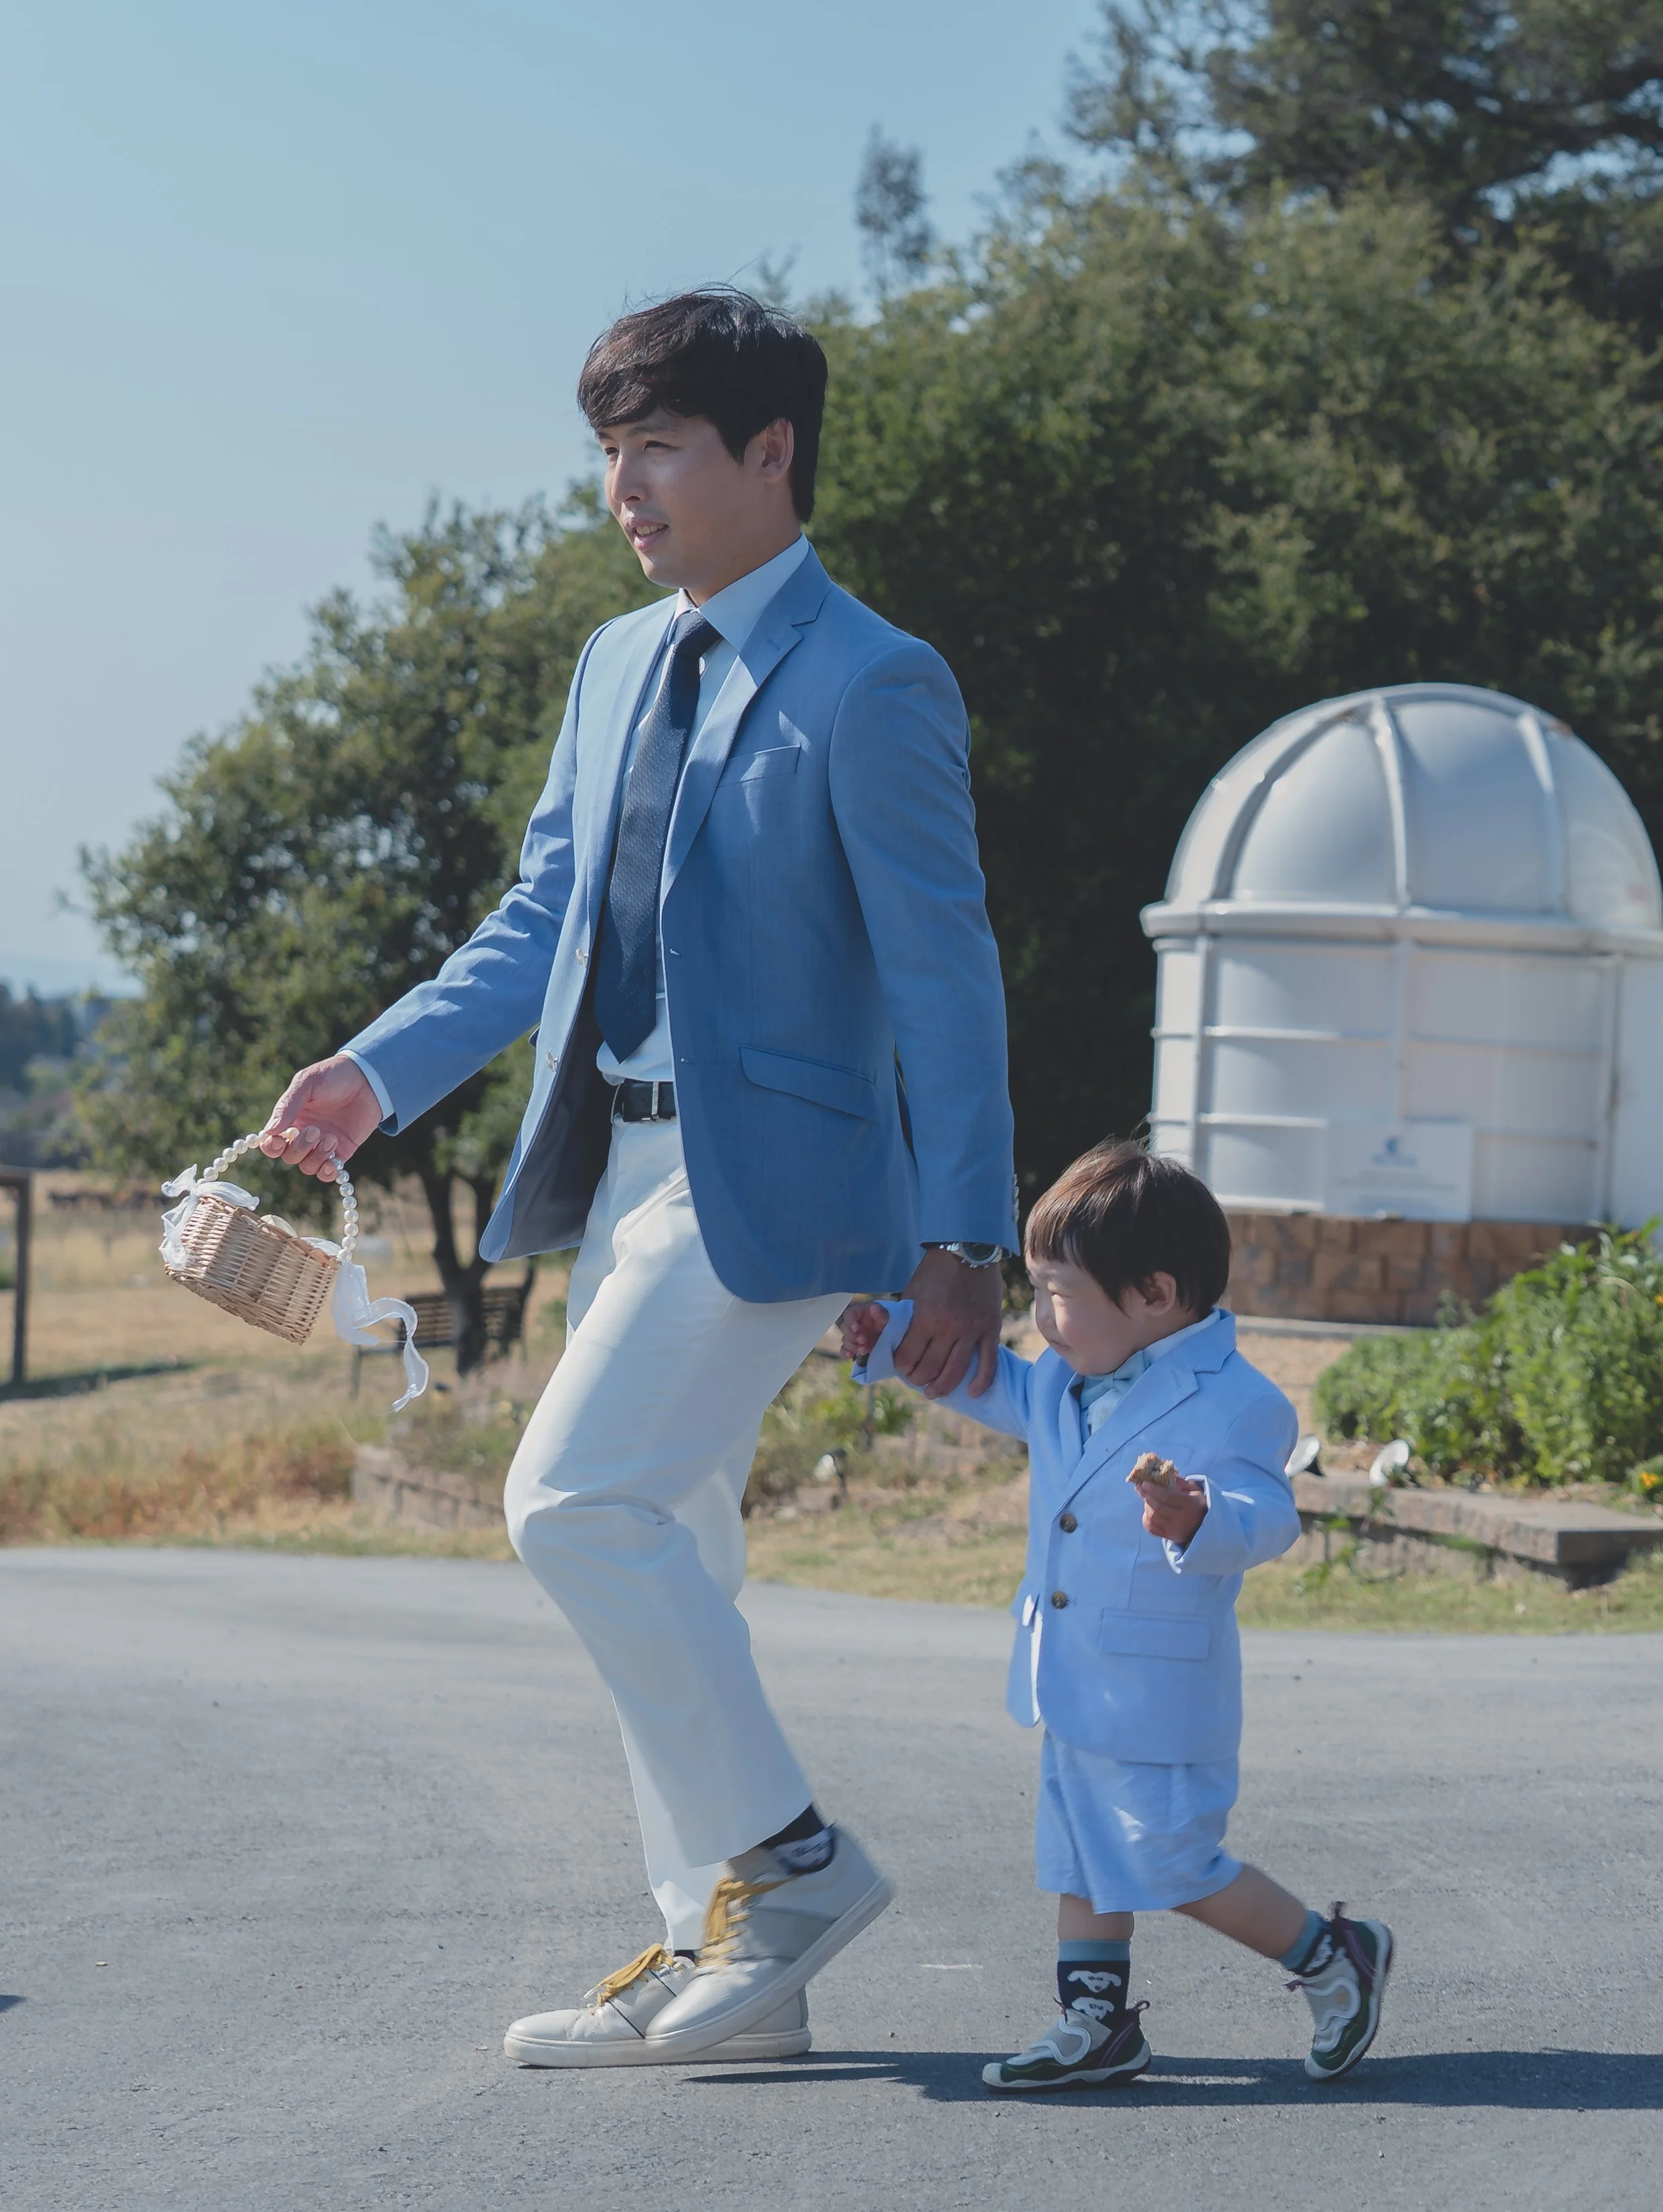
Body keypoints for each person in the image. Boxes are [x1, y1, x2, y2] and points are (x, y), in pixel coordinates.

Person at [259, 288, 1017, 2067]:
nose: (625, 488)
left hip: (776, 1188)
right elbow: (542, 921)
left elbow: (946, 973)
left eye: (659, 446)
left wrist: (962, 1236)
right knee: (667, 1539)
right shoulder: (615, 664)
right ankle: (717, 1967)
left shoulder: (874, 678)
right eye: (608, 452)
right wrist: (380, 1069)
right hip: (620, 1168)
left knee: (571, 1506)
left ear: (771, 453)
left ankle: (790, 1863)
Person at [843, 1139, 1393, 2092]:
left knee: (1168, 1858)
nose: (1037, 1318)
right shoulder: (1061, 1377)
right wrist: (891, 1338)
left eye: (1057, 1293)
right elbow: (992, 1381)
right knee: (1080, 1853)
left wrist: (1198, 1517)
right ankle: (1095, 2024)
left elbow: (1271, 1517)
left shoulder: (1238, 1403)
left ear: (1154, 1294)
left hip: (1159, 1684)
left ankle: (1332, 1954)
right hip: (1070, 1672)